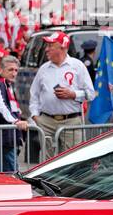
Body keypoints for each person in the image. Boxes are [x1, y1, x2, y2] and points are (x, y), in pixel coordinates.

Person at [29, 31, 96, 159]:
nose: (46, 49)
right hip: (46, 122)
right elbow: (34, 94)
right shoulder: (43, 69)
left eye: (50, 46)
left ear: (62, 47)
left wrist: (73, 94)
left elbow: (91, 94)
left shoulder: (78, 66)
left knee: (70, 160)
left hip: (71, 121)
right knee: (46, 161)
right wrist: (35, 115)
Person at [0, 54, 30, 172]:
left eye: (16, 70)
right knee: (10, 176)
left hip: (8, 138)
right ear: (0, 69)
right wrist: (16, 121)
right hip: (1, 138)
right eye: (10, 70)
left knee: (3, 175)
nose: (14, 73)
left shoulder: (7, 84)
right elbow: (1, 106)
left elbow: (14, 109)